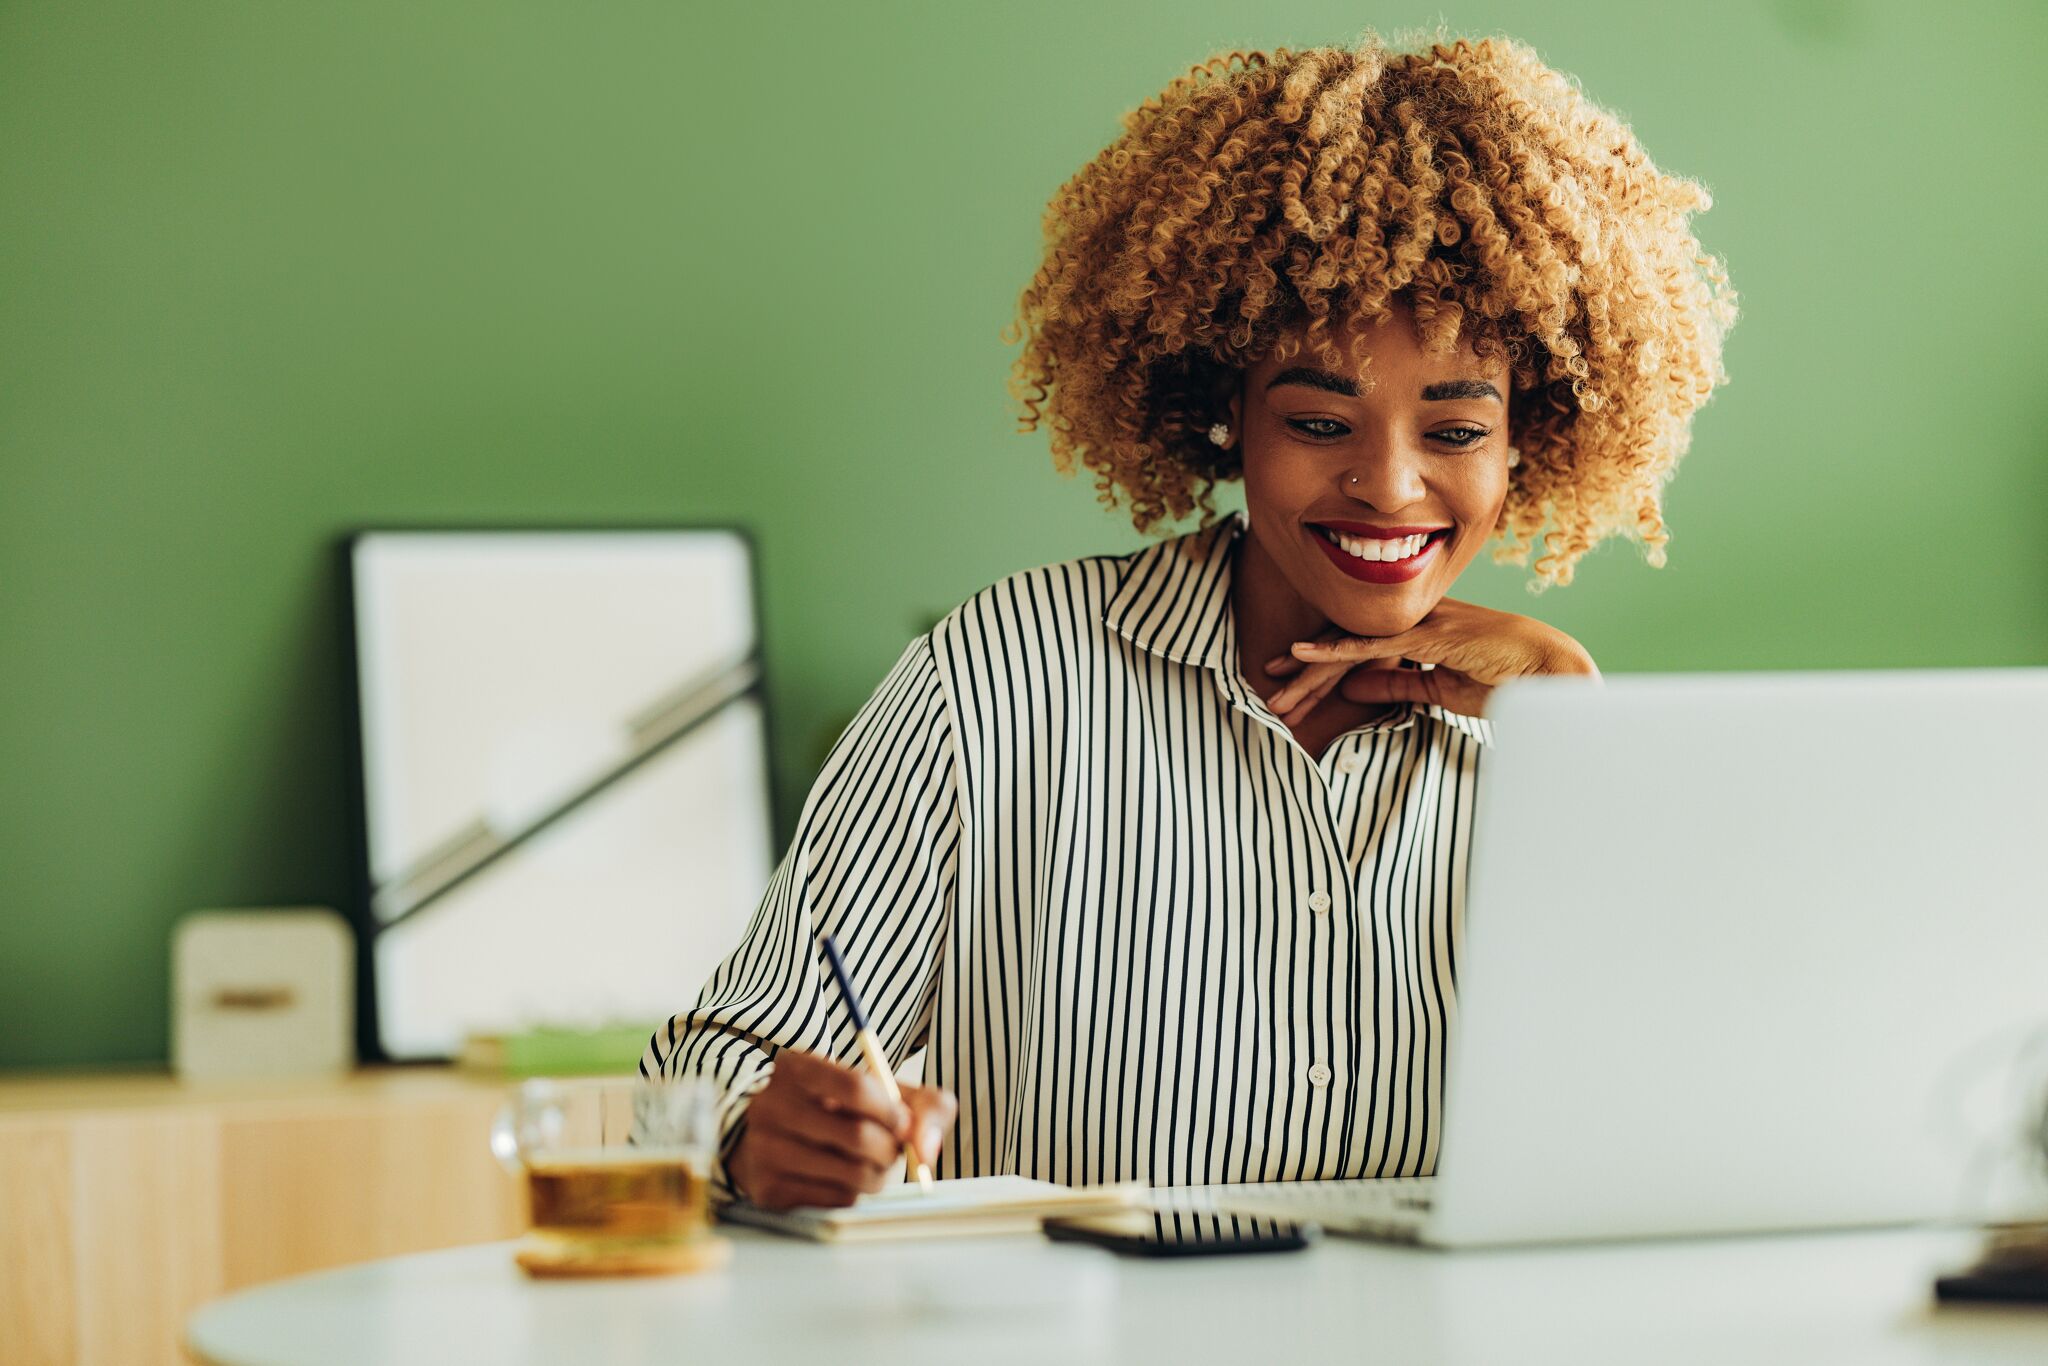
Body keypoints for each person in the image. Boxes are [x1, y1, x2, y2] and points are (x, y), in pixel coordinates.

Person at [640, 28, 1738, 1213]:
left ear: (1530, 432)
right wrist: (754, 1135)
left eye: (1455, 431)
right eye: (1319, 423)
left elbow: (1689, 1119)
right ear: (1227, 413)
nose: (1388, 486)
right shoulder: (999, 681)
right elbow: (692, 1079)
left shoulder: (1543, 733)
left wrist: (1576, 741)